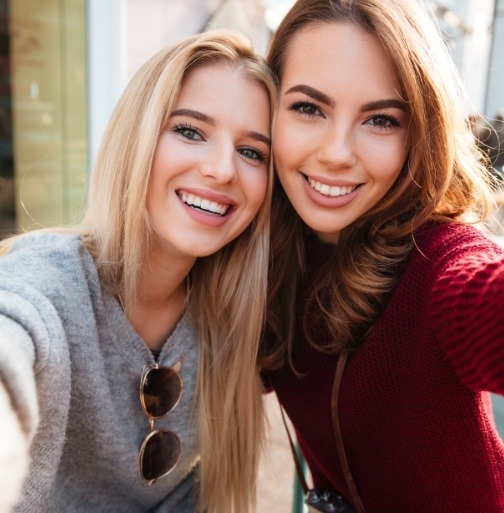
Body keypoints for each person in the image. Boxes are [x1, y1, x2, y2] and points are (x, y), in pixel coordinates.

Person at [0, 29, 275, 513]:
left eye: (252, 152)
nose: (222, 169)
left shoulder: (243, 311)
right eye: (190, 131)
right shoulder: (51, 282)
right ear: (138, 139)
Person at [260, 1, 504, 512]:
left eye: (380, 120)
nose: (336, 153)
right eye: (309, 108)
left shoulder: (438, 262)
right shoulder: (268, 256)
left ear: (419, 133)